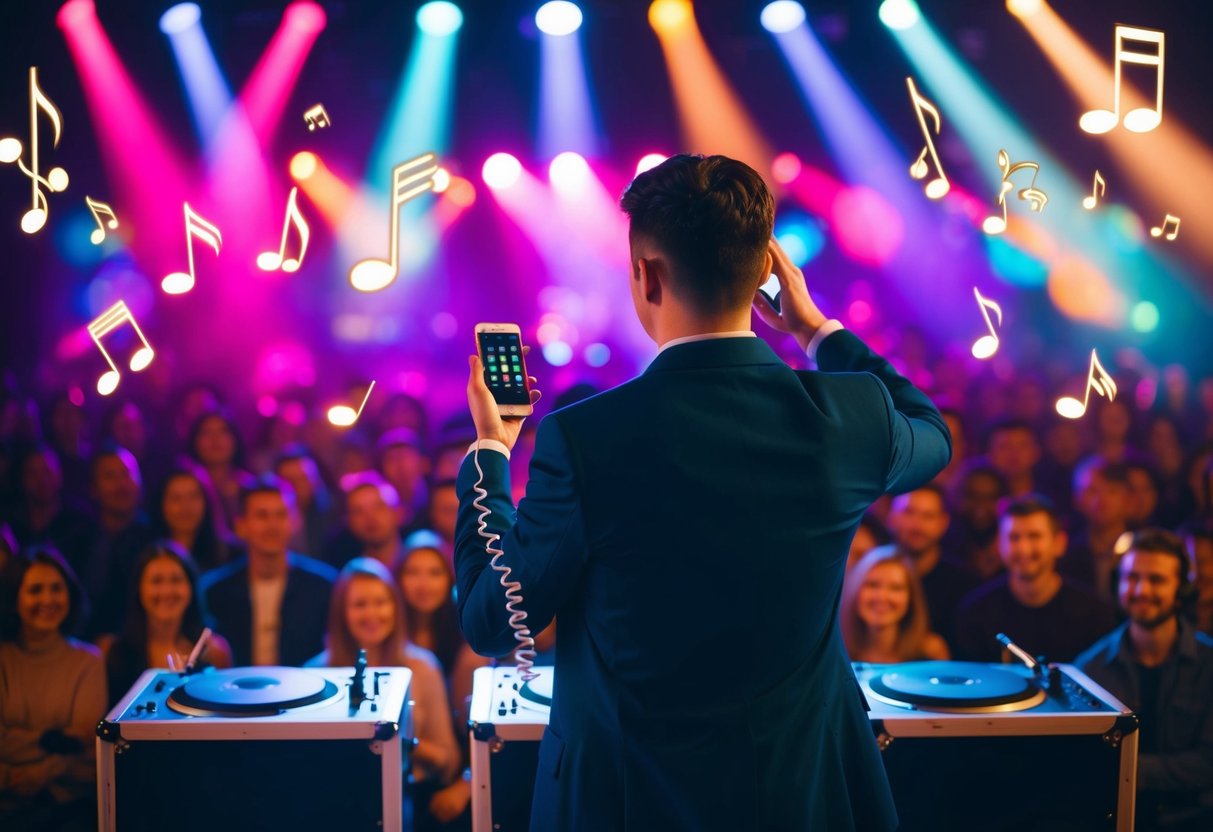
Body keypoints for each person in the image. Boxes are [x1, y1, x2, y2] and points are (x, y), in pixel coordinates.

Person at [453, 154, 951, 830]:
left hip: (630, 801)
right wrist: (814, 330)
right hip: (800, 795)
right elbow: (930, 431)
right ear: (766, 274)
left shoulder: (585, 438)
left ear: (646, 275)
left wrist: (488, 451)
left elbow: (493, 618)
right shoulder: (850, 417)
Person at [305, 558, 462, 829]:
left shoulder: (423, 668)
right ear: (341, 612)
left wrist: (397, 739)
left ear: (395, 607)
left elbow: (448, 761)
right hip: (335, 802)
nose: (372, 614)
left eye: (381, 602)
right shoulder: (314, 674)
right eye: (359, 605)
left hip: (410, 796)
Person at [1076, 529, 1213, 831]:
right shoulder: (1089, 669)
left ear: (1182, 589)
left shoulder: (1209, 664)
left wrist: (1126, 769)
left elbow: (1208, 763)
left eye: (1156, 580)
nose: (1141, 590)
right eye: (1132, 578)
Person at [0, 548, 106, 829]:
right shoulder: (3, 658)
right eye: (35, 590)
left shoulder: (88, 660)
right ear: (15, 598)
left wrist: (43, 772)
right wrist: (55, 743)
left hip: (68, 808)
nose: (48, 599)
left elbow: (87, 746)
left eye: (56, 588)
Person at [954, 495, 1115, 663]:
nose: (1023, 549)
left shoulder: (1094, 614)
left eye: (1034, 536)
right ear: (1000, 545)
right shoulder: (975, 612)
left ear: (1059, 543)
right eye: (1014, 537)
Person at [200, 476, 336, 666]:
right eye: (262, 515)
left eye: (281, 515)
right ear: (241, 526)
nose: (272, 525)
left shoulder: (324, 587)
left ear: (295, 522)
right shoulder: (214, 591)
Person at [97, 542, 232, 706]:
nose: (167, 590)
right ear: (139, 588)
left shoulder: (215, 652)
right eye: (156, 581)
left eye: (176, 580)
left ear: (191, 587)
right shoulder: (110, 651)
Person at [395, 531, 490, 727]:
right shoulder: (387, 624)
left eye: (435, 573)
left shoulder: (466, 625)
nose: (423, 584)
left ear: (450, 578)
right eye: (412, 572)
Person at [884, 484, 979, 650]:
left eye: (928, 516)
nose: (917, 525)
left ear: (943, 523)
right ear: (892, 517)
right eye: (909, 512)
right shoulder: (869, 576)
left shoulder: (964, 585)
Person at [81, 443, 154, 636]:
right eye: (110, 476)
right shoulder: (76, 539)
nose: (121, 484)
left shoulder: (155, 540)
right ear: (93, 488)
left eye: (126, 474)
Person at [840, 549, 949, 663]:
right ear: (854, 591)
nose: (882, 597)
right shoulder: (837, 652)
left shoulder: (930, 653)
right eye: (872, 585)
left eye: (895, 588)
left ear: (910, 598)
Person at [1062, 456, 1132, 602]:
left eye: (1112, 490)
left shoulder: (1143, 549)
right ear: (1076, 499)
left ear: (1128, 497)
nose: (1102, 499)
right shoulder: (1065, 554)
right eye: (1092, 491)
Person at [186, 410, 254, 535]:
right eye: (206, 432)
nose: (215, 439)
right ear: (195, 440)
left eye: (223, 432)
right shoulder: (184, 485)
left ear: (235, 439)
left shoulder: (250, 487)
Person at [150, 467, 230, 573]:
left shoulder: (227, 555)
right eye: (176, 498)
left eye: (193, 496)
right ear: (161, 504)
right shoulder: (147, 554)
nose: (186, 507)